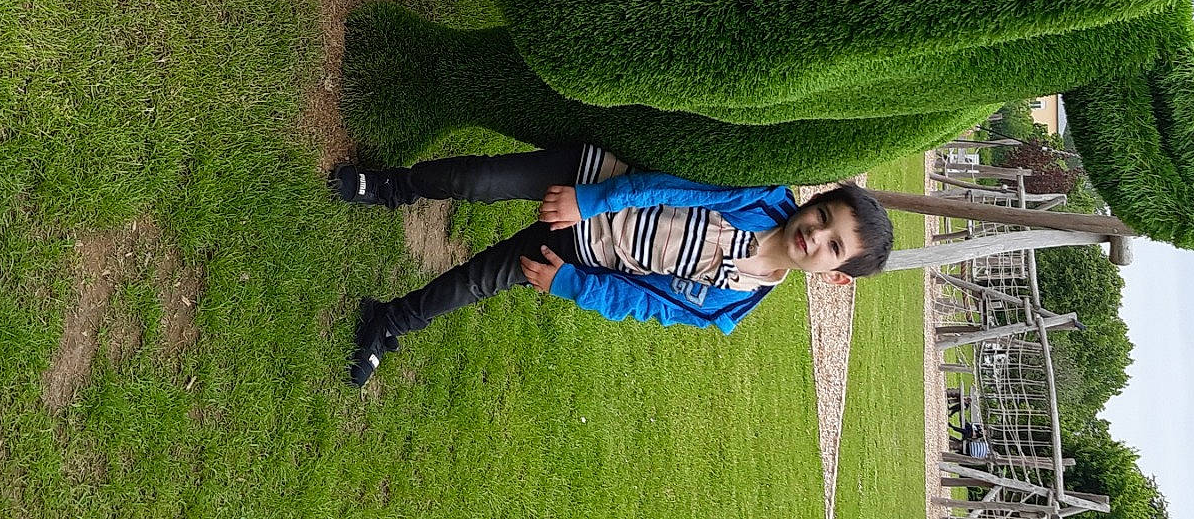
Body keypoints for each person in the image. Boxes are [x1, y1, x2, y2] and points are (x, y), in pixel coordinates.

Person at [328, 145, 896, 386]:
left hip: (582, 255)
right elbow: (664, 186)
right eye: (824, 215)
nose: (816, 235)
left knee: (478, 281)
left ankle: (389, 322)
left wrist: (573, 283)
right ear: (815, 201)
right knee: (476, 180)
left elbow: (647, 303)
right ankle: (390, 185)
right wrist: (587, 199)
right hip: (592, 183)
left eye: (834, 246)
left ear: (836, 275)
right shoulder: (758, 196)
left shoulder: (735, 303)